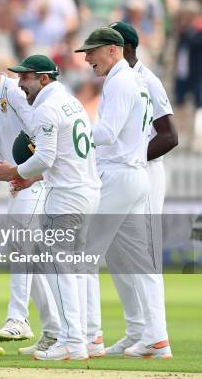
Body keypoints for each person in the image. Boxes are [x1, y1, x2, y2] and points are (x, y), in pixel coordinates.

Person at [0, 55, 101, 360]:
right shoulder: (71, 102)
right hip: (86, 191)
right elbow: (65, 156)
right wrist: (32, 179)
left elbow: (45, 158)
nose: (19, 83)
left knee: (59, 268)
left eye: (25, 77)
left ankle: (72, 341)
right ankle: (81, 337)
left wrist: (14, 172)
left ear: (43, 78)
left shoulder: (46, 108)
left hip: (66, 196)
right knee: (75, 269)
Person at [74, 27, 172, 359]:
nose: (87, 58)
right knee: (139, 261)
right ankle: (156, 339)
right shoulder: (131, 79)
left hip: (119, 173)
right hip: (133, 174)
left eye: (92, 51)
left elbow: (105, 133)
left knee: (82, 253)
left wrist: (69, 132)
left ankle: (89, 338)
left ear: (115, 50)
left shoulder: (120, 80)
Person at [0, 48, 62, 355]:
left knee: (21, 244)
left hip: (36, 180)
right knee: (27, 255)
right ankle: (55, 331)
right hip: (21, 181)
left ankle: (18, 318)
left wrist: (30, 174)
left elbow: (45, 133)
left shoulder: (16, 94)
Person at [101, 21, 178, 356]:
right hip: (127, 171)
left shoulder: (146, 80)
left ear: (124, 48)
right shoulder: (120, 80)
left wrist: (133, 156)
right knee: (117, 253)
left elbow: (169, 135)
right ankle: (137, 329)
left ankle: (154, 333)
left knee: (141, 254)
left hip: (145, 171)